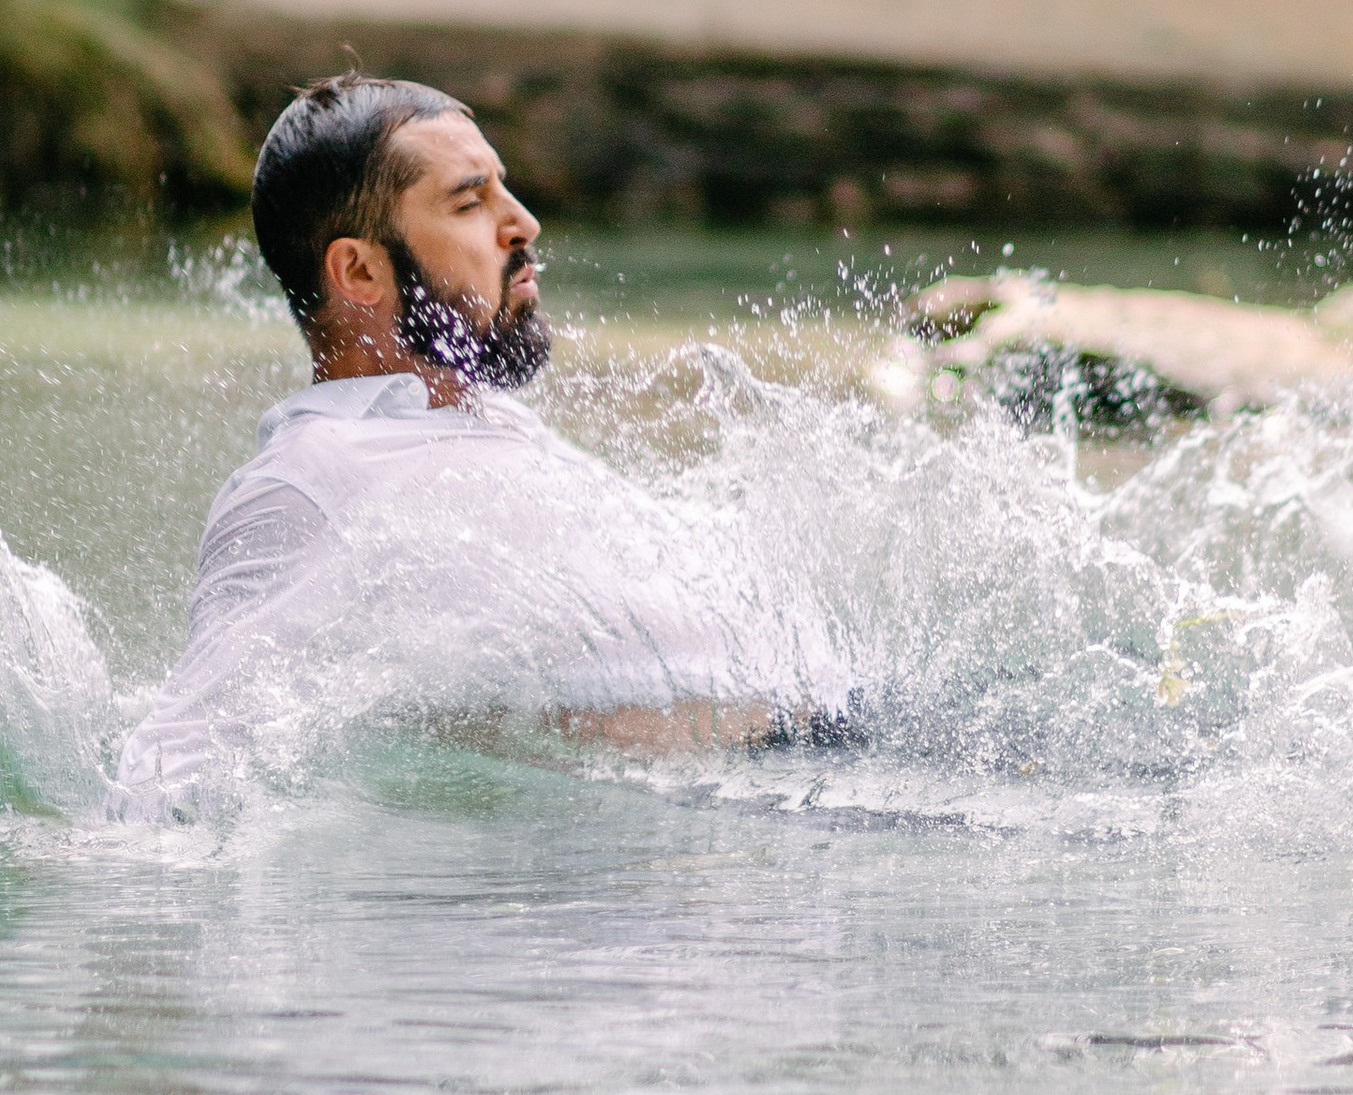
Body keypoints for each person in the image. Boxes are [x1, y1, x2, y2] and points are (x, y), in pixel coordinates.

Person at [111, 74, 846, 818]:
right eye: (470, 202)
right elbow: (175, 767)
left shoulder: (496, 425)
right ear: (359, 270)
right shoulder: (309, 475)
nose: (522, 223)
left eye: (504, 190)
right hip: (636, 861)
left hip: (800, 780)